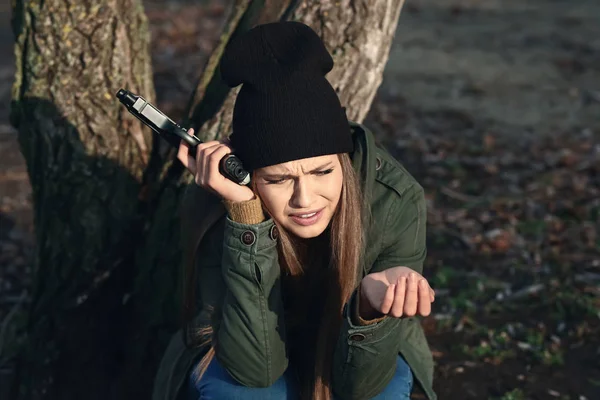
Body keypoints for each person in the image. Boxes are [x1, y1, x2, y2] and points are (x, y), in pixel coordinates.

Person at [152, 21, 437, 400]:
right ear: (250, 176)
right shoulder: (215, 203)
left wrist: (369, 309)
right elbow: (253, 370)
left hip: (358, 360)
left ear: (344, 162)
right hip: (249, 356)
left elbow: (361, 386)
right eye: (278, 179)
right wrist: (244, 215)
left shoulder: (393, 201)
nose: (305, 198)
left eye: (322, 172)